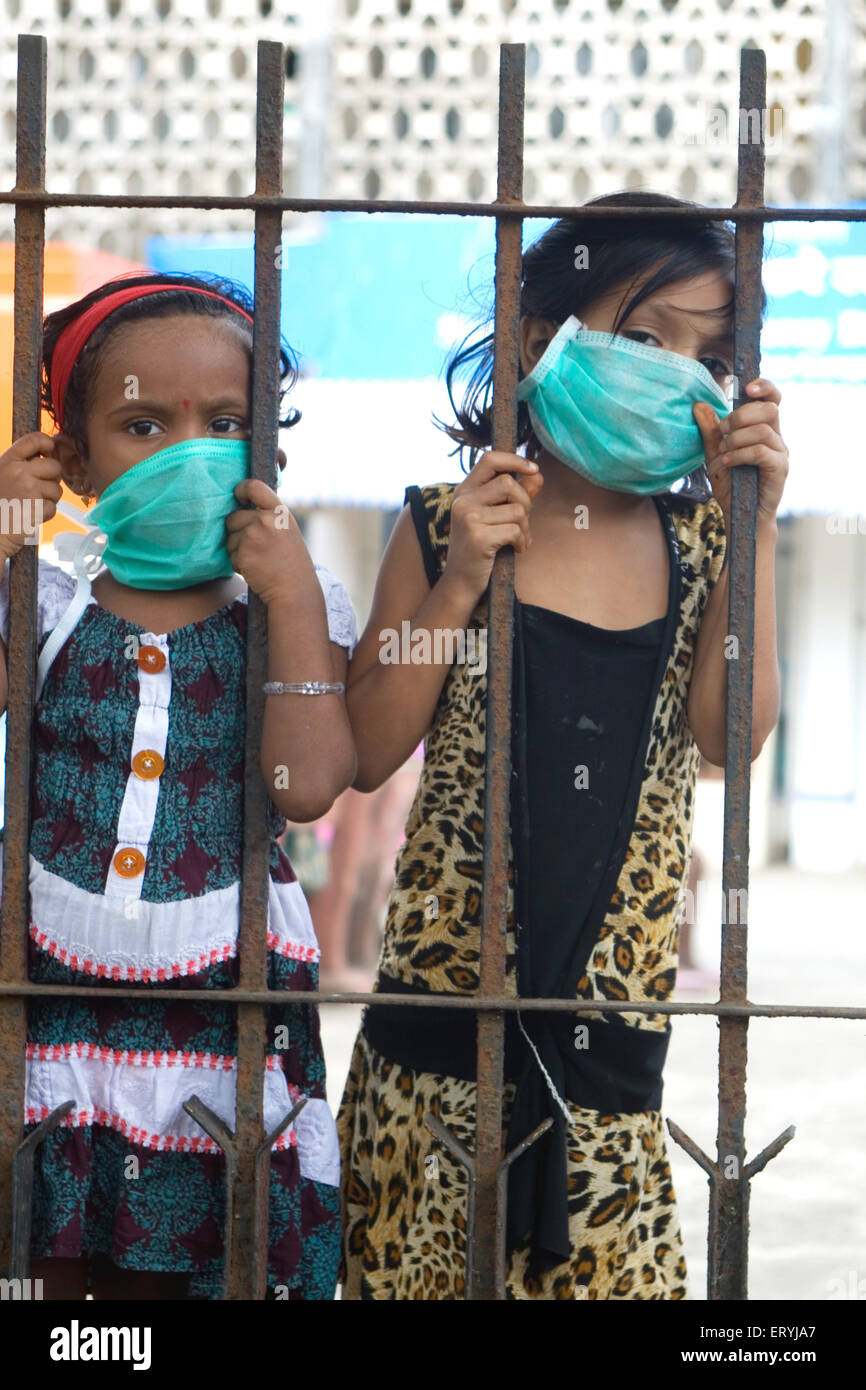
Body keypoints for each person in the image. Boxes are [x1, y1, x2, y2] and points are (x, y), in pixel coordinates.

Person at [337, 191, 787, 1300]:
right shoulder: (444, 523)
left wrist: (756, 524)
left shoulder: (700, 547)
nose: (677, 373)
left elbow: (734, 736)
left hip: (606, 1078)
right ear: (543, 336)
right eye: (643, 337)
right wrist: (456, 584)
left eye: (707, 356)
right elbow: (367, 745)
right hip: (429, 1062)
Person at [0, 273, 358, 1299]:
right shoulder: (50, 595)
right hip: (51, 984)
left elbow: (307, 783)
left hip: (222, 995)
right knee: (53, 1255)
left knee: (202, 1255)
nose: (188, 451)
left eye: (226, 423)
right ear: (71, 461)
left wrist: (288, 594)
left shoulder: (286, 602)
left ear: (269, 449)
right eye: (143, 423)